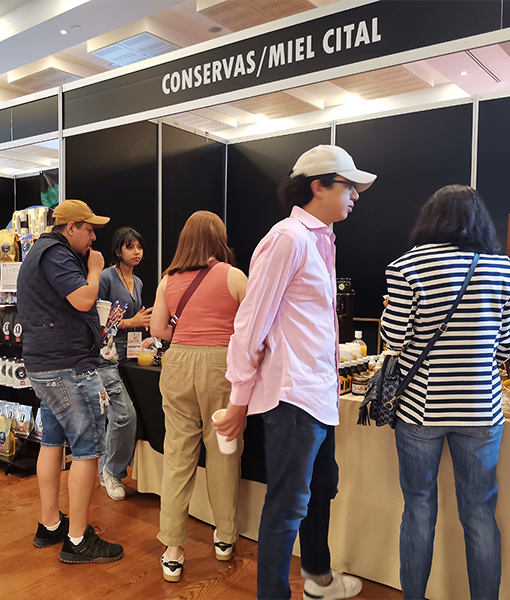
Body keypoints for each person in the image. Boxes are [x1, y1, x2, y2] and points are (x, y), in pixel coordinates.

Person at [217, 145, 376, 600]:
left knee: (322, 487)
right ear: (318, 186)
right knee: (288, 503)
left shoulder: (320, 239)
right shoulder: (287, 238)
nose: (355, 195)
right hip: (292, 395)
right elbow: (251, 323)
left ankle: (318, 579)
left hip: (317, 392)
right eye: (348, 186)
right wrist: (239, 399)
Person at [380, 185, 510, 600]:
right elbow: (504, 347)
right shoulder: (500, 268)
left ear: (431, 218)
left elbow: (394, 341)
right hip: (480, 408)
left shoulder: (408, 266)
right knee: (480, 513)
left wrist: (388, 313)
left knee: (419, 508)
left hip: (421, 408)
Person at [17, 199, 124, 564]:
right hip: (68, 367)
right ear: (71, 227)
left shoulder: (40, 251)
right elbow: (83, 300)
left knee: (52, 441)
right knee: (87, 448)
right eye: (90, 229)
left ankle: (50, 524)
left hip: (48, 365)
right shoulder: (57, 254)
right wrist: (95, 270)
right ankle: (78, 539)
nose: (94, 238)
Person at [149, 210, 248, 583]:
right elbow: (255, 327)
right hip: (220, 366)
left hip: (176, 363)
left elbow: (158, 328)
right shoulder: (233, 276)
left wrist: (187, 335)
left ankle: (173, 548)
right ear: (218, 238)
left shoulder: (167, 280)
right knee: (223, 452)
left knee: (177, 456)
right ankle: (224, 536)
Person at [97, 227, 152, 501]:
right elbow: (99, 322)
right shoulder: (106, 277)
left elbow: (135, 321)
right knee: (123, 415)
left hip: (128, 353)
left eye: (139, 247)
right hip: (105, 355)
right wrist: (132, 322)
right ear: (118, 251)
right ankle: (112, 472)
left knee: (120, 414)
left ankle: (105, 469)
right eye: (130, 247)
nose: (137, 252)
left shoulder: (138, 282)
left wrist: (143, 336)